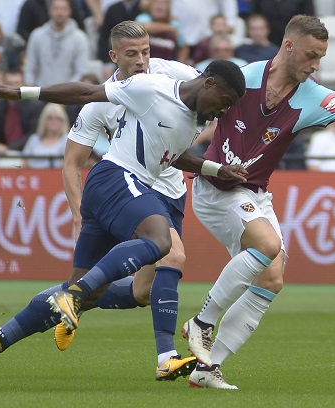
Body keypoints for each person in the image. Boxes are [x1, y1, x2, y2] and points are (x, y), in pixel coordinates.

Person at [0, 58, 247, 389]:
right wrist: (21, 92)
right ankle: (96, 310)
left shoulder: (195, 116)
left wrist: (216, 170)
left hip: (114, 188)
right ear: (209, 84)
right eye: (224, 103)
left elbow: (172, 153)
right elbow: (86, 92)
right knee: (161, 241)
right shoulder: (151, 87)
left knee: (84, 292)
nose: (222, 113)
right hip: (116, 177)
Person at [180, 15, 335, 390]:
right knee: (267, 245)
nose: (316, 65)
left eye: (321, 57)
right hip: (215, 190)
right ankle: (202, 322)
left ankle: (206, 369)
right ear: (288, 46)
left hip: (254, 194)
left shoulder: (315, 96)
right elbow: (193, 101)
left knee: (272, 279)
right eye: (311, 55)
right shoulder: (243, 78)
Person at [58, 21, 226, 381]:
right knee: (173, 253)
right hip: (129, 188)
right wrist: (77, 216)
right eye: (131, 54)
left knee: (142, 291)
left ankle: (65, 299)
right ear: (113, 56)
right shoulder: (101, 101)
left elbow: (216, 99)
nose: (141, 60)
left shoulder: (176, 75)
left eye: (146, 51)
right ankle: (166, 357)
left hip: (172, 190)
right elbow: (72, 162)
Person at [23, 0, 90, 87]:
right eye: (56, 8)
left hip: (69, 94)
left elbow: (81, 70)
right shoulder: (37, 35)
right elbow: (29, 66)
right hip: (41, 92)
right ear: (49, 11)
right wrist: (31, 88)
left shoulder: (80, 38)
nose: (60, 12)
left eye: (63, 9)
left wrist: (67, 89)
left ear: (69, 11)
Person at [0, 70, 44, 154]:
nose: (13, 87)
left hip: (28, 153)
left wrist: (8, 148)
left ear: (23, 85)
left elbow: (32, 136)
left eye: (16, 83)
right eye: (9, 83)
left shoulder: (34, 107)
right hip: (0, 154)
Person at [21, 103, 69, 169]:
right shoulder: (34, 139)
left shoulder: (67, 140)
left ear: (63, 121)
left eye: (58, 119)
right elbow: (24, 163)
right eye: (50, 118)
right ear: (43, 120)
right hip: (34, 176)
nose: (54, 122)